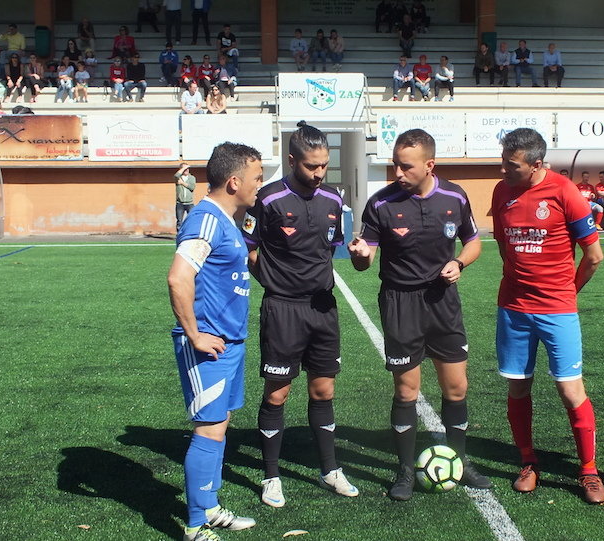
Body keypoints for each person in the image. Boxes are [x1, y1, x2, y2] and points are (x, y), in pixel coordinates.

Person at [347, 128, 493, 501]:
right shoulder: (381, 203)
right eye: (395, 164)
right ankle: (406, 470)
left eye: (406, 166)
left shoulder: (454, 196)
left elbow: (473, 242)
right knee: (406, 390)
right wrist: (360, 255)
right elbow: (366, 260)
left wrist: (460, 262)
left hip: (443, 301)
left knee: (456, 387)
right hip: (400, 303)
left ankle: (459, 461)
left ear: (430, 165)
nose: (398, 172)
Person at [243, 122, 360, 508]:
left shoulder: (332, 199)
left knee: (323, 390)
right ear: (293, 161)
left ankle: (330, 469)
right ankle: (271, 476)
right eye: (312, 166)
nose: (319, 172)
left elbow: (332, 248)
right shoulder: (268, 198)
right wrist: (271, 281)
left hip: (322, 308)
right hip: (283, 310)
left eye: (324, 165)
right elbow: (249, 247)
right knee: (278, 392)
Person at [491, 128, 604, 503]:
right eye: (503, 162)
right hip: (514, 309)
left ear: (537, 164)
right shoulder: (501, 191)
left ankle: (588, 471)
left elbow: (594, 256)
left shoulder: (564, 192)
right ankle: (528, 462)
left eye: (512, 165)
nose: (505, 170)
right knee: (518, 386)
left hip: (557, 310)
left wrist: (567, 292)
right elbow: (504, 246)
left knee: (570, 390)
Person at [167, 141, 263, 541]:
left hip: (230, 343)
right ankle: (194, 526)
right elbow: (178, 278)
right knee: (208, 429)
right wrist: (194, 334)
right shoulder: (205, 219)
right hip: (208, 345)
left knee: (219, 425)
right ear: (235, 181)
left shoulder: (228, 219)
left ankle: (208, 506)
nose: (260, 185)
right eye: (257, 178)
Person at [174, 162, 195, 231]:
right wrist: (183, 168)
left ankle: (190, 234)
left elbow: (192, 187)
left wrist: (182, 183)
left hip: (190, 203)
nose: (187, 170)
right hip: (180, 203)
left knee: (192, 220)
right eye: (185, 168)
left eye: (188, 168)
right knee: (179, 221)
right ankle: (179, 235)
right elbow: (176, 175)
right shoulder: (178, 178)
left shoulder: (192, 178)